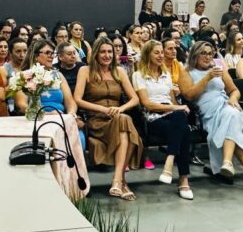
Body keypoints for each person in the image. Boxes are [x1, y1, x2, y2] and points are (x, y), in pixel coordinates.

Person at [179, 41, 243, 197]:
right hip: (208, 114)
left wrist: (233, 98)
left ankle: (227, 162)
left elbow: (234, 90)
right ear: (195, 54)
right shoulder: (186, 71)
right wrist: (208, 77)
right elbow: (189, 95)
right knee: (237, 136)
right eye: (203, 53)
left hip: (227, 105)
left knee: (231, 113)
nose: (207, 57)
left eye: (210, 53)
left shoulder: (218, 68)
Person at [73, 37, 143, 201]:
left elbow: (135, 99)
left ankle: (117, 181)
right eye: (103, 52)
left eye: (110, 52)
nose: (107, 55)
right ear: (96, 54)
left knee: (123, 120)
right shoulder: (85, 71)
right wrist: (103, 109)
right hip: (96, 120)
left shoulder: (119, 71)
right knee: (125, 122)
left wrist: (120, 108)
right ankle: (121, 181)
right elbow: (77, 99)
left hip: (117, 117)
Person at [133, 41, 193, 200]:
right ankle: (183, 180)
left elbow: (172, 100)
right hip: (152, 118)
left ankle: (169, 163)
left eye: (161, 52)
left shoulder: (166, 75)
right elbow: (146, 104)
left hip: (171, 115)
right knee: (183, 129)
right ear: (148, 54)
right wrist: (176, 108)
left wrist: (177, 106)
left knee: (181, 121)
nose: (161, 56)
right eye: (156, 53)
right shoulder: (138, 75)